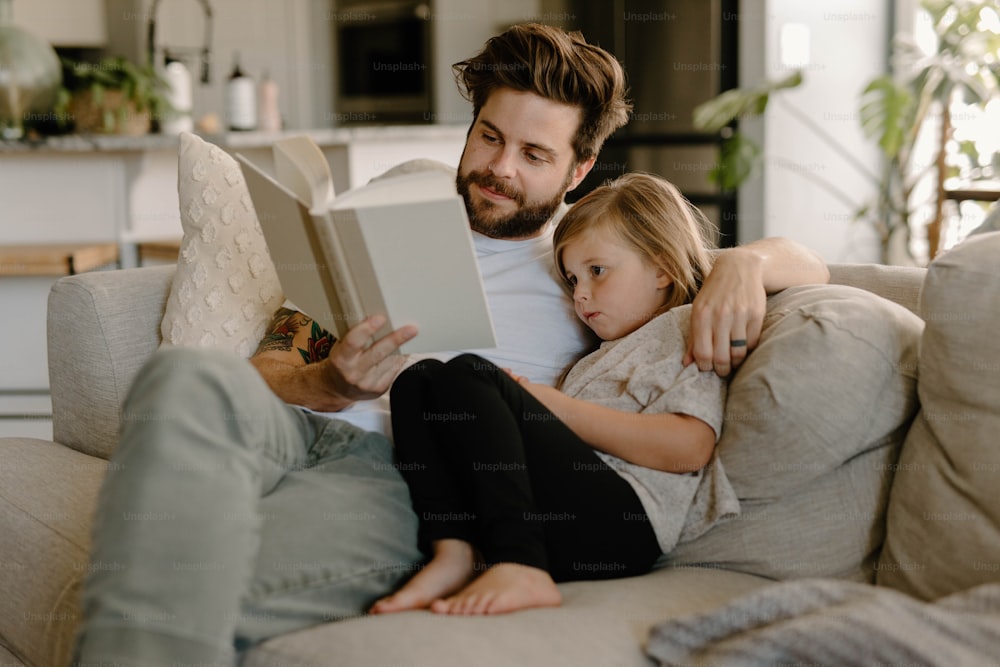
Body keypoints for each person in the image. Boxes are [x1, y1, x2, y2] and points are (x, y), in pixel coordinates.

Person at [72, 23, 829, 665]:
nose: (500, 168)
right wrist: (328, 382)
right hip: (290, 427)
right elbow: (273, 365)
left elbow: (804, 266)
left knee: (194, 586)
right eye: (491, 137)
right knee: (181, 377)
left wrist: (746, 262)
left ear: (580, 168)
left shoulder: (589, 269)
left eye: (535, 155)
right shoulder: (390, 217)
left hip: (400, 475)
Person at [370, 173, 736, 616]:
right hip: (565, 517)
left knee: (470, 372)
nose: (581, 295)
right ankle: (454, 550)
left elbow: (690, 448)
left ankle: (519, 561)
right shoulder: (596, 354)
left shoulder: (686, 327)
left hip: (624, 524)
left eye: (597, 272)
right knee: (419, 379)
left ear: (661, 267)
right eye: (572, 279)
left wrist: (554, 405)